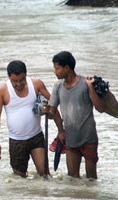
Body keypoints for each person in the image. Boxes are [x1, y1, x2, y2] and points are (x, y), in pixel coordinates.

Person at [0, 60, 63, 178]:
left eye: (22, 80)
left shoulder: (36, 84)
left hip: (36, 137)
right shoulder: (2, 90)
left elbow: (53, 107)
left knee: (45, 175)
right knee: (19, 180)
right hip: (16, 140)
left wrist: (60, 130)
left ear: (26, 74)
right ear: (8, 76)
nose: (19, 84)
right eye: (15, 81)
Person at [43, 51, 104, 179]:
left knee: (91, 178)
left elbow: (100, 108)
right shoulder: (58, 87)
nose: (55, 72)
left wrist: (91, 88)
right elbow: (52, 114)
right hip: (71, 140)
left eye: (57, 68)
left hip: (89, 138)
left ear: (67, 68)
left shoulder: (85, 84)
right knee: (72, 178)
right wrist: (46, 111)